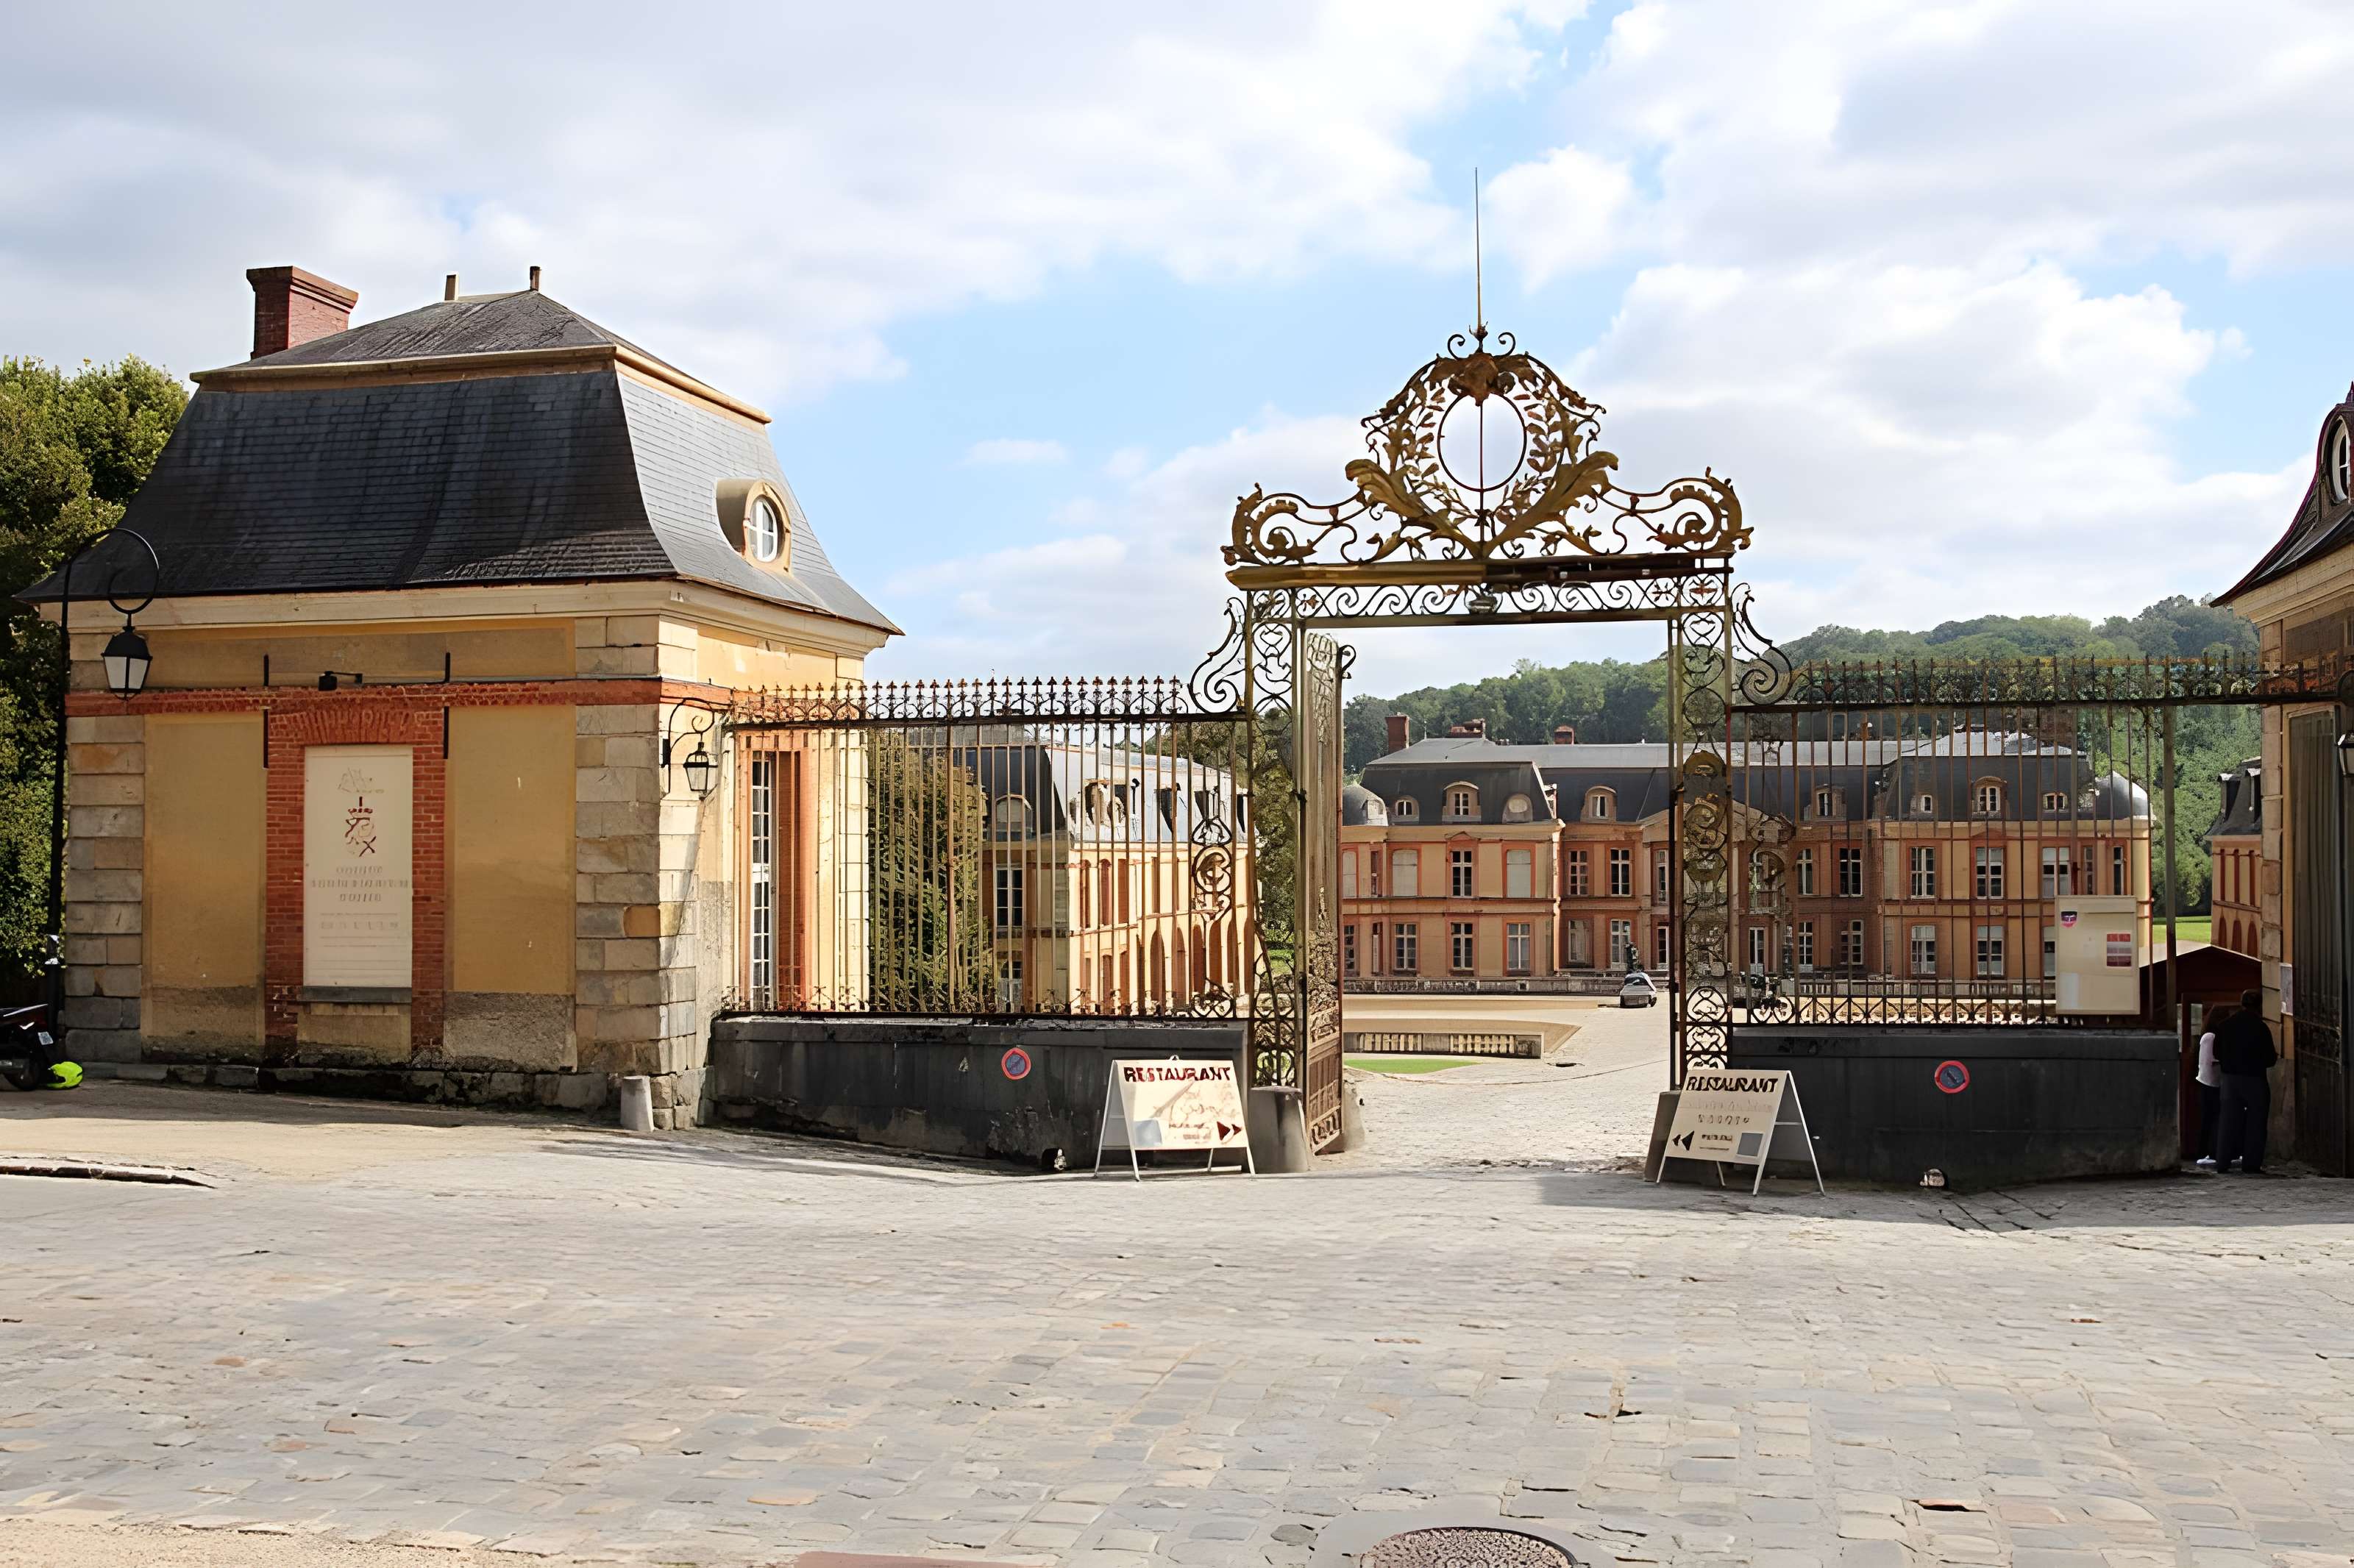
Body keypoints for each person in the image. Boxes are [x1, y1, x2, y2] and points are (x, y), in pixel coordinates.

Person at [2211, 988, 2276, 1175]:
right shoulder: (2261, 1028)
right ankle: (2251, 1164)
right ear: (2259, 1006)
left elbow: (2217, 1053)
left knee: (2228, 1121)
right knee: (2256, 1122)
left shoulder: (2225, 1025)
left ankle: (2222, 1162)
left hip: (2230, 1080)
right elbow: (2270, 1058)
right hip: (2255, 1079)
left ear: (2242, 1003)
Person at [2194, 1005, 2227, 1168]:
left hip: (2208, 1082)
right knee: (2211, 1119)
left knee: (2209, 1119)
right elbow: (2210, 1061)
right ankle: (2206, 1151)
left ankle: (2205, 1151)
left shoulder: (2207, 1036)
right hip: (2211, 1083)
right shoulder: (2211, 1037)